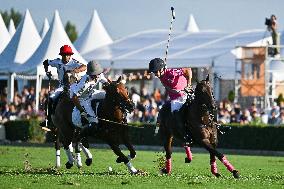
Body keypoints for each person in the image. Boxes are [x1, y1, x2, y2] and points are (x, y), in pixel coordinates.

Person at [40, 45, 87, 127]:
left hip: (74, 86)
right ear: (61, 55)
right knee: (50, 99)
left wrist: (76, 70)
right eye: (64, 55)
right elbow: (46, 62)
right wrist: (47, 71)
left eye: (68, 55)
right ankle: (48, 120)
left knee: (84, 97)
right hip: (62, 86)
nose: (66, 57)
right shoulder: (57, 62)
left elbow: (84, 66)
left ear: (70, 55)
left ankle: (86, 116)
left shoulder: (73, 62)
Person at [148, 58, 192, 143]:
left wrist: (189, 84)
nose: (156, 74)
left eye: (156, 71)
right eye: (154, 72)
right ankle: (184, 136)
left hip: (187, 94)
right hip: (176, 100)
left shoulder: (172, 72)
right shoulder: (161, 77)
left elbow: (188, 70)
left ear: (162, 69)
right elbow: (169, 88)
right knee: (175, 118)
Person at [70, 60, 108, 130]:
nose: (97, 76)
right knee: (94, 122)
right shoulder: (83, 84)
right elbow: (74, 98)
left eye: (98, 73)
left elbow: (107, 83)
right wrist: (82, 111)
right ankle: (82, 133)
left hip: (92, 93)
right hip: (82, 99)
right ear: (90, 74)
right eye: (94, 74)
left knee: (108, 95)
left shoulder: (99, 74)